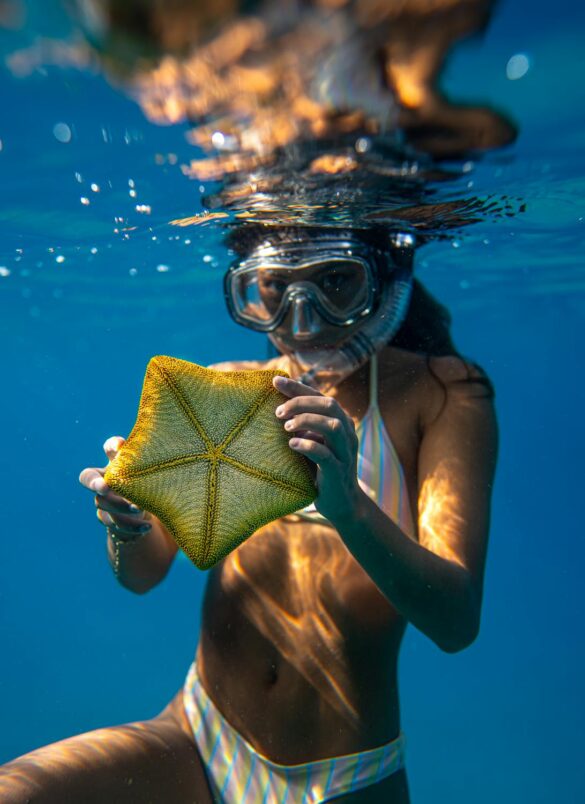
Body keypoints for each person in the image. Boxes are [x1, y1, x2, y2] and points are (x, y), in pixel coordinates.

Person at [0, 225, 497, 803]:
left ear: (383, 275)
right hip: (197, 735)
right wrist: (128, 526)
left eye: (336, 283)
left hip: (345, 776)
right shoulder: (226, 386)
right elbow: (142, 574)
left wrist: (349, 507)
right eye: (273, 288)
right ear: (248, 290)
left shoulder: (443, 392)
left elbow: (455, 622)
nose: (302, 319)